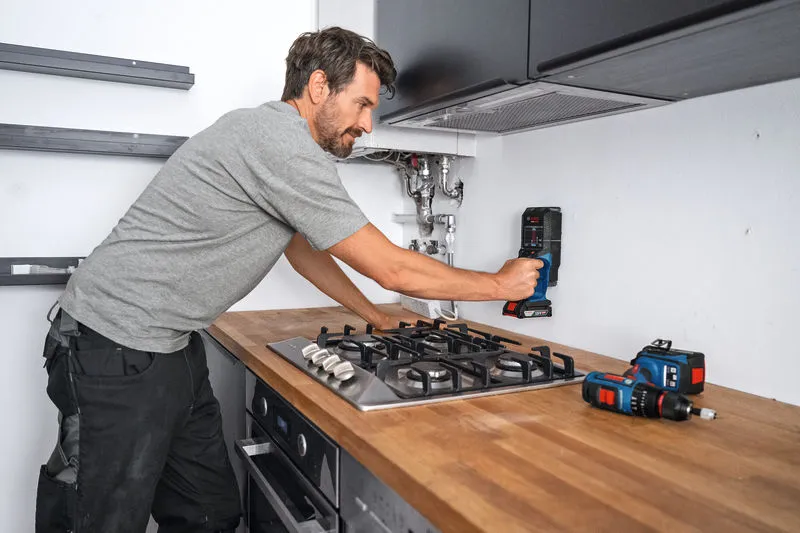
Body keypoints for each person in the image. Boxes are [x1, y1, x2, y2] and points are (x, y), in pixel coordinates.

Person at [36, 26, 544, 533]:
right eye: (362, 104)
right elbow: (391, 267)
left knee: (209, 515)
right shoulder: (280, 143)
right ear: (319, 86)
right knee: (98, 522)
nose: (368, 124)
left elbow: (305, 251)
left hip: (169, 345)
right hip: (113, 342)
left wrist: (372, 315)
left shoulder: (278, 141)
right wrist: (500, 285)